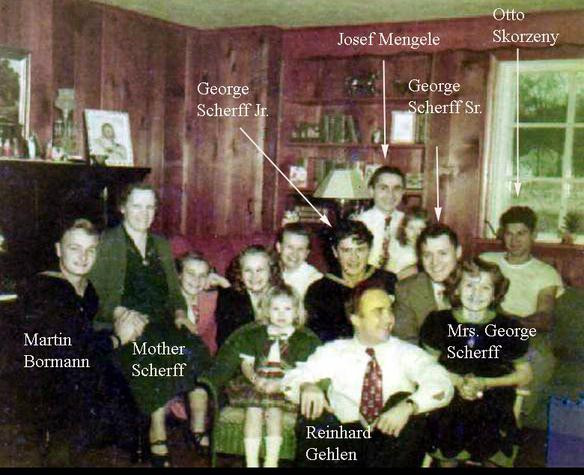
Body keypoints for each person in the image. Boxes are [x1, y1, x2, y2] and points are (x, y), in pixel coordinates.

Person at [89, 183, 210, 467]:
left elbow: (174, 293)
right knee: (152, 355)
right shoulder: (108, 242)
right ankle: (157, 432)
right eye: (136, 206)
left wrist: (180, 313)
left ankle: (197, 426)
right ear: (122, 208)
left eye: (149, 207)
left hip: (162, 321)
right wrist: (120, 312)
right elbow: (94, 293)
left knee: (195, 348)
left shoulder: (161, 245)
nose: (143, 213)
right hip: (125, 324)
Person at [20, 219, 147, 465]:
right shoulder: (46, 289)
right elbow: (68, 351)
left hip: (77, 369)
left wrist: (126, 326)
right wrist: (117, 338)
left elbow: (84, 340)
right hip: (47, 379)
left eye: (90, 250)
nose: (83, 257)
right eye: (74, 248)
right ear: (59, 250)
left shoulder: (87, 290)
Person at [282, 287, 454, 467]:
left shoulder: (407, 352)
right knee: (313, 412)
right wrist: (306, 386)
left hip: (389, 441)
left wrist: (410, 405)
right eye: (378, 312)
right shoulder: (334, 351)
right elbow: (292, 378)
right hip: (344, 443)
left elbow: (442, 384)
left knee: (402, 400)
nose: (389, 318)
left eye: (390, 311)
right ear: (356, 319)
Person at [419, 258, 533, 466]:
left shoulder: (509, 327)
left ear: (495, 294)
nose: (476, 293)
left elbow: (525, 374)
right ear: (456, 289)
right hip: (451, 392)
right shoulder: (438, 321)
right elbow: (426, 367)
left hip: (493, 396)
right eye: (469, 285)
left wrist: (485, 383)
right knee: (448, 416)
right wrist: (458, 382)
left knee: (493, 418)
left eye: (485, 288)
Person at [195, 284, 321, 467]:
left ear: (296, 312)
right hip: (257, 382)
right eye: (275, 309)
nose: (281, 314)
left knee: (274, 413)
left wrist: (280, 383)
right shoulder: (254, 335)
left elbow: (301, 371)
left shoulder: (302, 339)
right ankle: (251, 462)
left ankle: (271, 461)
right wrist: (254, 378)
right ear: (267, 311)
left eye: (287, 309)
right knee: (253, 411)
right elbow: (246, 363)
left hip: (283, 386)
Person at [480, 206, 563, 421]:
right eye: (509, 233)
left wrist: (511, 322)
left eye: (521, 233)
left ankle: (517, 416)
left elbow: (544, 316)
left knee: (542, 358)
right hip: (483, 323)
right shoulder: (487, 260)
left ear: (533, 235)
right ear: (502, 235)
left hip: (523, 329)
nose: (514, 240)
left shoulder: (546, 273)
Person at [305, 219, 397, 342]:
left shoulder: (388, 282)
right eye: (346, 250)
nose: (354, 258)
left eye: (360, 249)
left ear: (369, 250)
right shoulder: (319, 290)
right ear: (335, 252)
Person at [393, 223, 462, 343]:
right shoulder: (407, 290)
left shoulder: (476, 284)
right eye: (427, 255)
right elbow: (405, 344)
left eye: (442, 253)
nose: (435, 262)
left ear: (458, 252)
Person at [214, 245, 283, 347]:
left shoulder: (282, 296)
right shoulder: (229, 300)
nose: (254, 276)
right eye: (248, 270)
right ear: (240, 274)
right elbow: (225, 341)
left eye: (259, 270)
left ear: (271, 271)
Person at [354, 166, 406, 271]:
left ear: (403, 192)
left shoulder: (408, 223)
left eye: (396, 188)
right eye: (383, 188)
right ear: (371, 191)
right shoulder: (359, 223)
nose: (390, 194)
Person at [276, 223, 323, 300]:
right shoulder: (271, 272)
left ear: (307, 253)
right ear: (279, 247)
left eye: (300, 249)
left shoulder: (314, 281)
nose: (294, 254)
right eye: (290, 247)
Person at [393, 206, 428, 280]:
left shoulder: (428, 250)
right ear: (404, 229)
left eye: (421, 229)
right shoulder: (397, 248)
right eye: (411, 228)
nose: (417, 233)